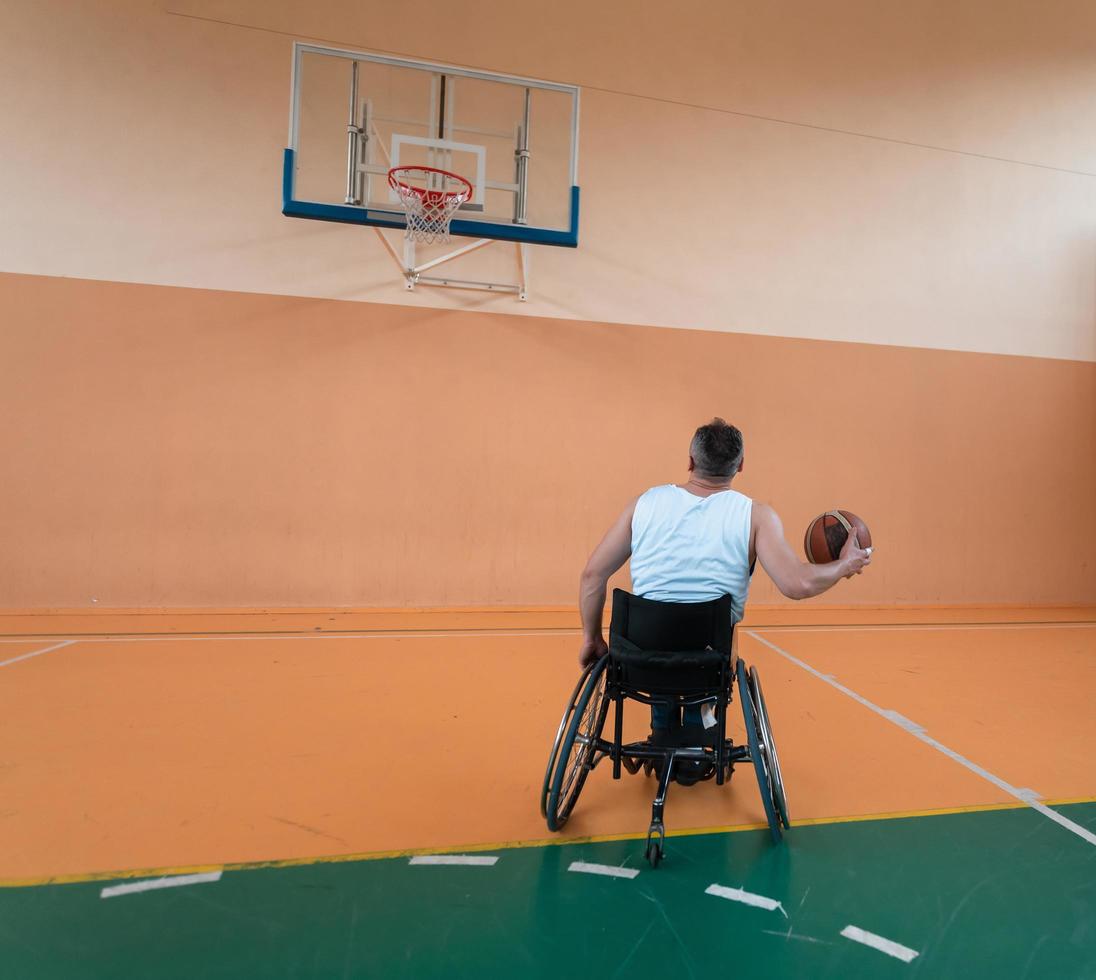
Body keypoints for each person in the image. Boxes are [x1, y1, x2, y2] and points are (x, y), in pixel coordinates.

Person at [577, 418, 871, 737]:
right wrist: (844, 565)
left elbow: (593, 575)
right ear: (740, 465)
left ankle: (663, 725)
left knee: (661, 641)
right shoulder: (755, 515)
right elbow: (797, 584)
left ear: (690, 461)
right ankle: (695, 730)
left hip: (640, 651)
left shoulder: (644, 503)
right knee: (705, 649)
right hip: (708, 654)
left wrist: (592, 638)